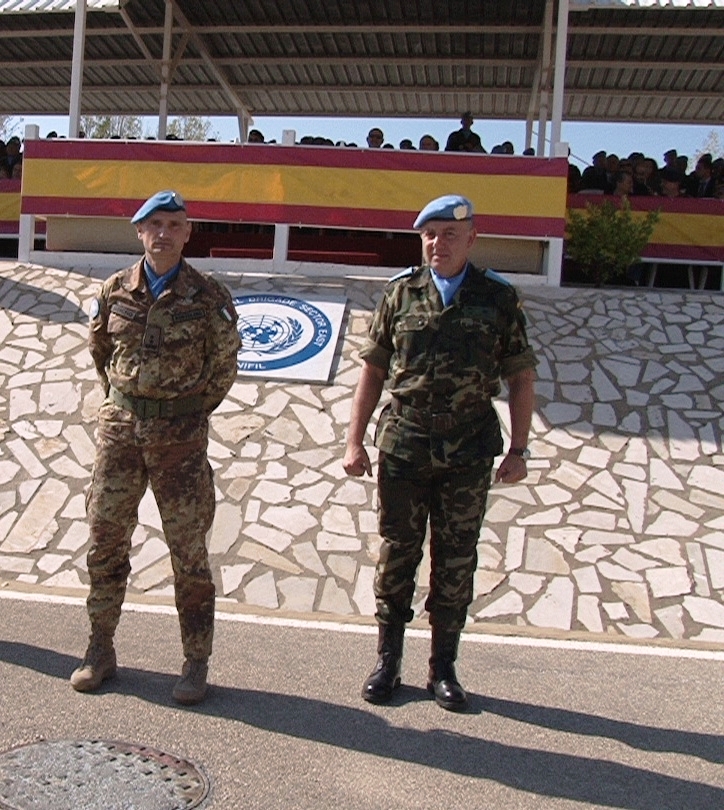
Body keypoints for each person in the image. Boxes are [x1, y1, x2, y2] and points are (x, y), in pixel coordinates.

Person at [343, 194, 537, 712]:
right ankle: (388, 662)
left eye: (450, 234)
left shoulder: (498, 299)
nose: (438, 243)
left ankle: (443, 668)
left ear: (472, 238)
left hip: (469, 449)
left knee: (455, 558)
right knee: (397, 551)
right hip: (404, 443)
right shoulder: (400, 294)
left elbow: (520, 377)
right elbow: (373, 370)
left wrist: (519, 449)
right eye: (430, 234)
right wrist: (353, 439)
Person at [70, 190, 241, 705]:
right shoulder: (114, 291)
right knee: (104, 544)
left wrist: (181, 411)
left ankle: (195, 662)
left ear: (188, 232)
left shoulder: (209, 296)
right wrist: (128, 406)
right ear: (139, 232)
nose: (163, 233)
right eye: (154, 225)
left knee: (189, 555)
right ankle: (100, 650)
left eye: (174, 224)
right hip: (119, 437)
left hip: (181, 444)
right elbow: (101, 354)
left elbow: (223, 369)